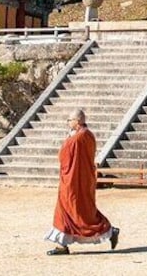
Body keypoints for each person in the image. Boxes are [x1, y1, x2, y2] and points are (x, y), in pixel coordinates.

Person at [45, 109, 119, 255]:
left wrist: (67, 141)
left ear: (77, 121)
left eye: (69, 120)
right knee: (72, 211)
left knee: (78, 212)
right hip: (82, 179)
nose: (68, 122)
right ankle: (62, 244)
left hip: (73, 181)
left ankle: (109, 231)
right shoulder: (88, 135)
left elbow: (63, 156)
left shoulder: (76, 139)